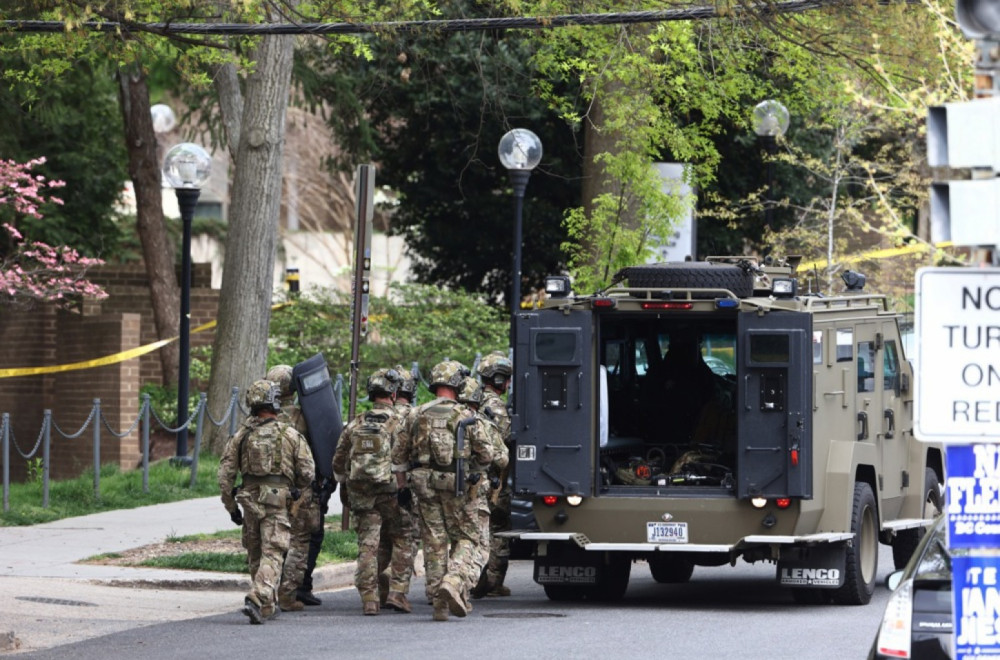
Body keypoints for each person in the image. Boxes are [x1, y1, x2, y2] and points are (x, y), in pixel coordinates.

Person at [391, 360, 494, 621]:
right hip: (457, 484)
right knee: (468, 538)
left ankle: (439, 603)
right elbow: (487, 454)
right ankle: (454, 579)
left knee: (434, 541)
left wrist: (403, 485)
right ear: (457, 384)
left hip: (423, 483)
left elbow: (398, 456)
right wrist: (474, 472)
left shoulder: (415, 414)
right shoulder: (467, 416)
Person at [217, 379, 315, 624]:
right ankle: (260, 595)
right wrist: (297, 492)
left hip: (249, 498)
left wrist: (231, 507)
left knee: (256, 551)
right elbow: (308, 472)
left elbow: (225, 475)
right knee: (274, 551)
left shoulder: (241, 436)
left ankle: (267, 606)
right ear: (274, 402)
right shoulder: (290, 434)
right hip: (277, 499)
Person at [332, 368, 415, 615]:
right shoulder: (400, 422)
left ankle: (370, 598)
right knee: (403, 538)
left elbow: (338, 460)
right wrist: (406, 489)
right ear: (393, 393)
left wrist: (343, 483)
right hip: (390, 492)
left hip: (361, 494)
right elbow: (405, 459)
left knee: (367, 545)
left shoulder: (356, 422)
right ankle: (398, 593)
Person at [266, 364, 326, 611]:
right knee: (302, 539)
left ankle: (266, 590)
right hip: (301, 490)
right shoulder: (303, 416)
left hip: (267, 489)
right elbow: (318, 449)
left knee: (270, 541)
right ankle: (291, 591)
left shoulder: (261, 417)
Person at [456, 375, 508, 610]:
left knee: (450, 536)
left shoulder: (440, 415)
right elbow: (498, 455)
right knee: (490, 533)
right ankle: (480, 582)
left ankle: (442, 584)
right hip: (485, 483)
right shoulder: (486, 417)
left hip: (448, 485)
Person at [471, 350, 514, 598]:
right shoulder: (495, 406)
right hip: (495, 477)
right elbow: (506, 438)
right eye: (505, 380)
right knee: (498, 527)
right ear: (499, 380)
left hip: (477, 475)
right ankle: (492, 581)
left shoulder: (473, 402)